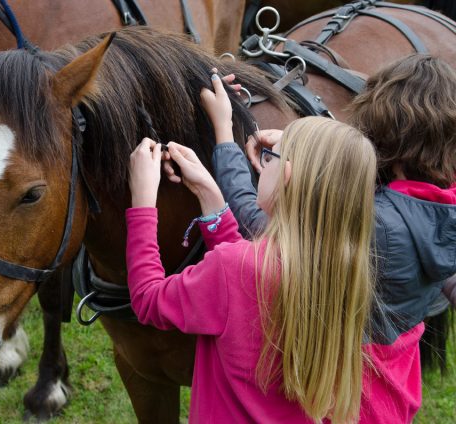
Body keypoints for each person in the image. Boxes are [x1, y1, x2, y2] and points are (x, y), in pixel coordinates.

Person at [214, 54, 456, 422]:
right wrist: (296, 147)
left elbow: (270, 234)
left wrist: (225, 143)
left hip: (346, 395)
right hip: (395, 383)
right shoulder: (437, 207)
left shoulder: (381, 226)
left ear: (386, 124)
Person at [127, 73, 378, 421]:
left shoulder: (236, 268)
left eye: (271, 157)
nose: (262, 163)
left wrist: (142, 201)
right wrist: (209, 195)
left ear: (285, 175)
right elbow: (249, 291)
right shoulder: (343, 269)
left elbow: (148, 300)